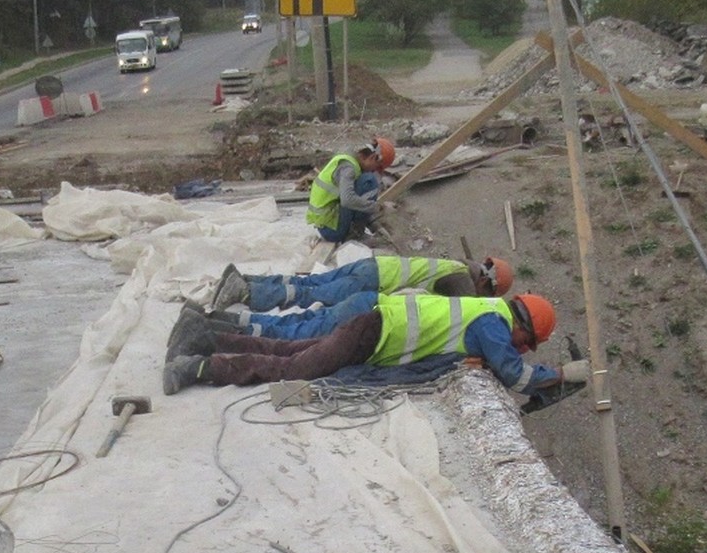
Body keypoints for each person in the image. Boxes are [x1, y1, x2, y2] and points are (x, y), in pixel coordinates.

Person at [162, 292, 588, 414]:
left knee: (287, 347)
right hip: (375, 332)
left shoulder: (486, 314)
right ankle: (196, 366)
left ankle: (205, 334)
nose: (520, 349)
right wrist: (563, 374)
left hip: (376, 323)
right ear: (522, 328)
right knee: (293, 368)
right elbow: (516, 377)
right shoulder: (493, 325)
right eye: (525, 343)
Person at [207, 255, 515, 314]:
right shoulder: (461, 279)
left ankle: (245, 279)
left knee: (310, 282)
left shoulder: (456, 265)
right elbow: (462, 310)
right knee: (309, 295)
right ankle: (245, 292)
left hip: (376, 265)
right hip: (377, 280)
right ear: (487, 285)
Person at [307, 137, 396, 243]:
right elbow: (347, 200)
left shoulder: (350, 162)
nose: (374, 171)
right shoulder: (348, 168)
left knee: (364, 182)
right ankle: (355, 234)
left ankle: (356, 231)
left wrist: (374, 225)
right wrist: (380, 207)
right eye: (377, 167)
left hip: (327, 225)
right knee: (369, 181)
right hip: (332, 230)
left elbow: (353, 202)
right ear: (372, 157)